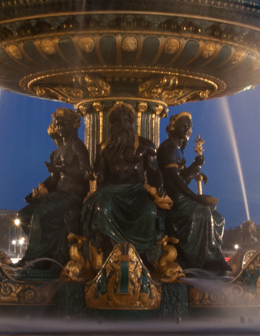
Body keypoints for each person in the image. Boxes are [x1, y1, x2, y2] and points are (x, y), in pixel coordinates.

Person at [81, 102, 167, 266]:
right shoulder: (104, 148)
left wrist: (160, 186)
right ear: (112, 124)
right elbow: (102, 174)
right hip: (111, 192)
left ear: (132, 123)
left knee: (149, 211)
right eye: (118, 121)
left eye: (126, 121)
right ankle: (111, 253)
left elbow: (155, 171)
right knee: (101, 208)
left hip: (137, 191)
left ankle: (141, 255)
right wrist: (93, 175)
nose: (122, 125)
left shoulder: (146, 145)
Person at [17, 108, 92, 269]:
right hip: (58, 194)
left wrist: (63, 170)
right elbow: (54, 179)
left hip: (73, 195)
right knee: (24, 214)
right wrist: (37, 193)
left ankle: (32, 258)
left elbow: (86, 173)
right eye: (57, 125)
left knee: (40, 214)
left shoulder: (77, 146)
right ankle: (45, 254)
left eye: (63, 125)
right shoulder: (60, 150)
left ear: (74, 125)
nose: (59, 129)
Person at [157, 112, 228, 272]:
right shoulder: (168, 148)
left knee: (217, 216)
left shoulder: (178, 150)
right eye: (184, 124)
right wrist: (195, 197)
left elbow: (183, 179)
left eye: (189, 125)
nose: (187, 128)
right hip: (172, 197)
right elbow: (174, 181)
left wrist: (196, 166)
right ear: (173, 127)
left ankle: (214, 254)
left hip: (181, 194)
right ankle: (200, 260)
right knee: (203, 212)